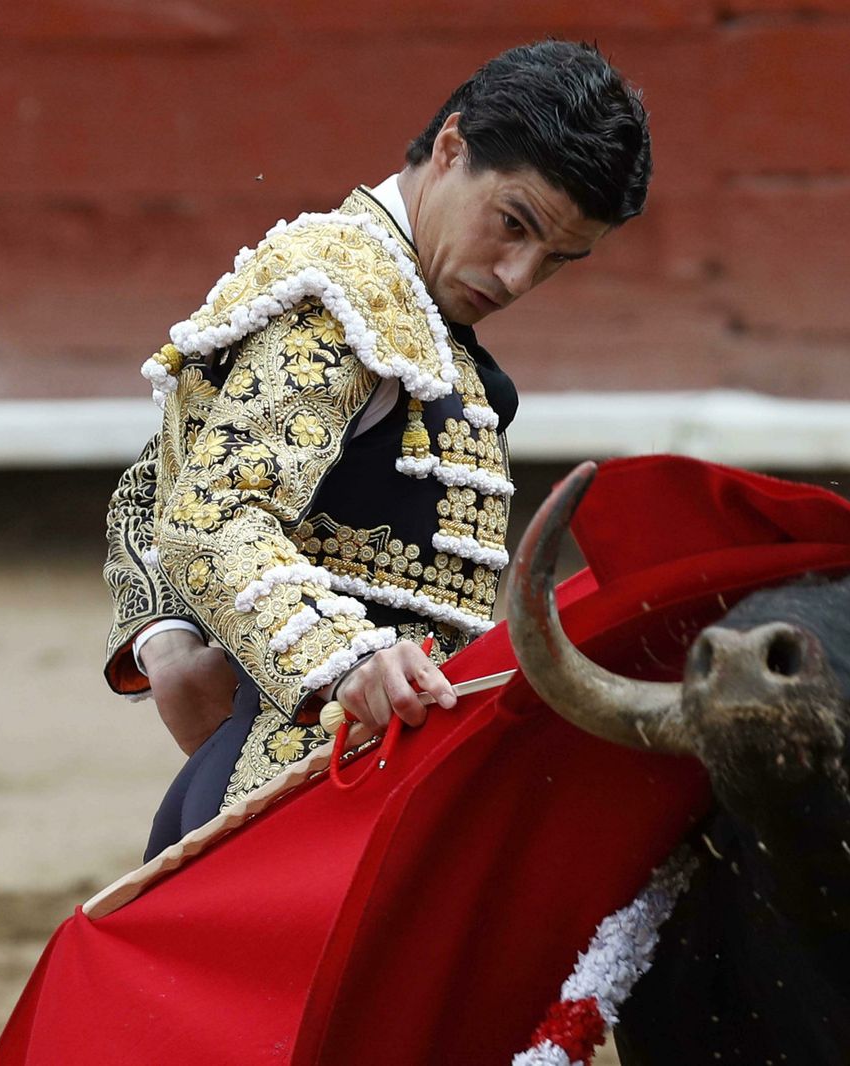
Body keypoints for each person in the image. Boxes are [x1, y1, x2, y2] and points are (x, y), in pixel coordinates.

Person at [99, 40, 652, 860]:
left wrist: (166, 637)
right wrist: (338, 662)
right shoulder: (344, 297)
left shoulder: (396, 298)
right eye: (513, 224)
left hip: (368, 776)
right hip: (305, 792)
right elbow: (209, 510)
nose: (516, 277)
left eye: (556, 259)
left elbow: (159, 475)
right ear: (451, 148)